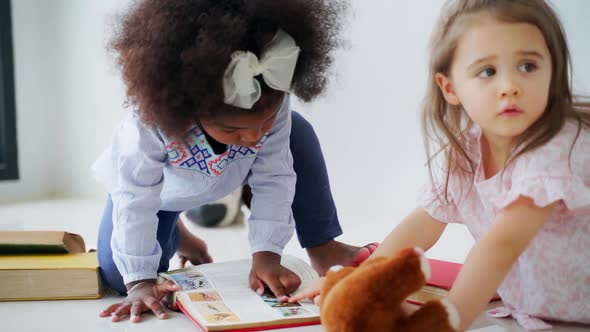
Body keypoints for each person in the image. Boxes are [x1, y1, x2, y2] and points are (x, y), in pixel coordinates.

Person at [291, 0, 590, 330]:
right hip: (543, 313)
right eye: (487, 72)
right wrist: (360, 281)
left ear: (553, 70)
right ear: (450, 88)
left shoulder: (555, 151)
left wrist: (447, 321)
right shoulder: (468, 149)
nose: (510, 86)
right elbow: (424, 222)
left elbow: (502, 245)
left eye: (528, 66)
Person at [93, 0, 377, 323]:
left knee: (298, 132)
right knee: (118, 276)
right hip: (157, 194)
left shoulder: (271, 97)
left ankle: (322, 244)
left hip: (231, 172)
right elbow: (135, 199)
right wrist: (140, 280)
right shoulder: (147, 126)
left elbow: (276, 178)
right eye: (234, 128)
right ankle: (177, 231)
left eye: (265, 121)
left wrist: (267, 256)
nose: (255, 137)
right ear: (189, 108)